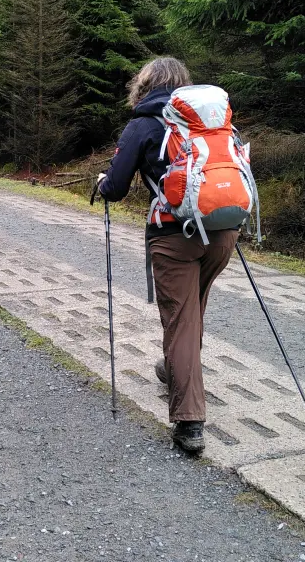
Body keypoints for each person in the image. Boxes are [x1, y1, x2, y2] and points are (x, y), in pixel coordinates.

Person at [95, 57, 240, 454]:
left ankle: (189, 421)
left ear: (143, 86)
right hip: (223, 231)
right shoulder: (209, 121)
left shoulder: (142, 124)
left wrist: (102, 183)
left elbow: (116, 188)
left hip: (174, 237)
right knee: (190, 313)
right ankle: (172, 369)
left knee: (180, 318)